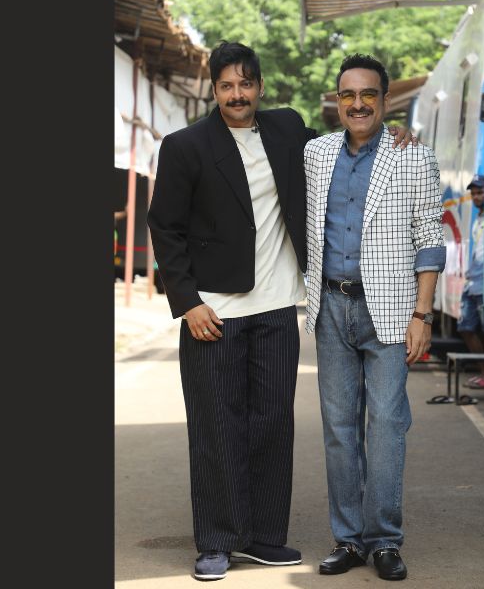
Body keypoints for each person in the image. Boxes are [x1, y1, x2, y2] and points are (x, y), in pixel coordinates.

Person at [147, 41, 414, 582]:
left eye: (245, 84)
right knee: (217, 429)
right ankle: (217, 541)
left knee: (272, 426)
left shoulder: (288, 129)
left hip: (277, 309)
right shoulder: (185, 146)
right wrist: (188, 303)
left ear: (260, 87)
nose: (237, 94)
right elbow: (165, 228)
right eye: (227, 86)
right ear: (215, 90)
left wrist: (394, 134)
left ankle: (265, 537)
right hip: (213, 313)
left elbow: (348, 140)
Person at [303, 53, 445, 581]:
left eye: (368, 94)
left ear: (385, 100)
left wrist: (422, 314)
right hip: (330, 307)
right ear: (337, 101)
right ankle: (348, 539)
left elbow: (429, 236)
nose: (358, 104)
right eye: (348, 95)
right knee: (340, 429)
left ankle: (384, 540)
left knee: (386, 425)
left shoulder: (414, 156)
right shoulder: (315, 154)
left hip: (389, 308)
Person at [457, 174, 484, 389]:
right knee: (465, 327)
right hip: (472, 280)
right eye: (473, 193)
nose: (476, 197)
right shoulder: (479, 218)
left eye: (480, 192)